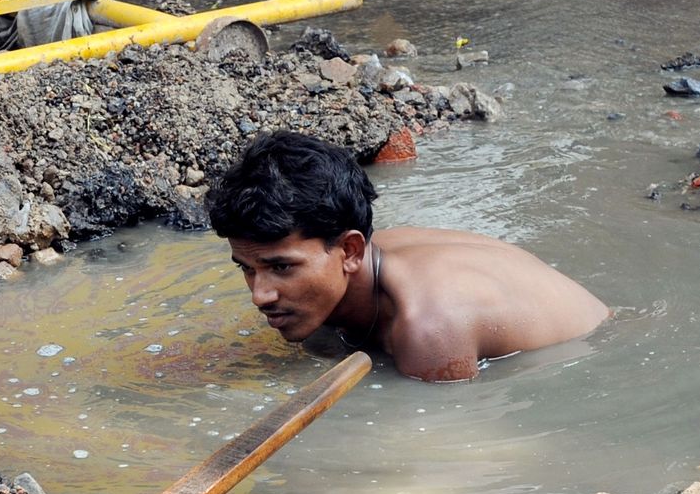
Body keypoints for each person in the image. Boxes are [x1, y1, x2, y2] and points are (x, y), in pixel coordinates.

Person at [207, 131, 609, 382]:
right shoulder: (349, 261)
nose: (260, 296)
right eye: (247, 269)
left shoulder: (428, 329)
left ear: (349, 251)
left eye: (281, 267)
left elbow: (448, 446)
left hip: (598, 350)